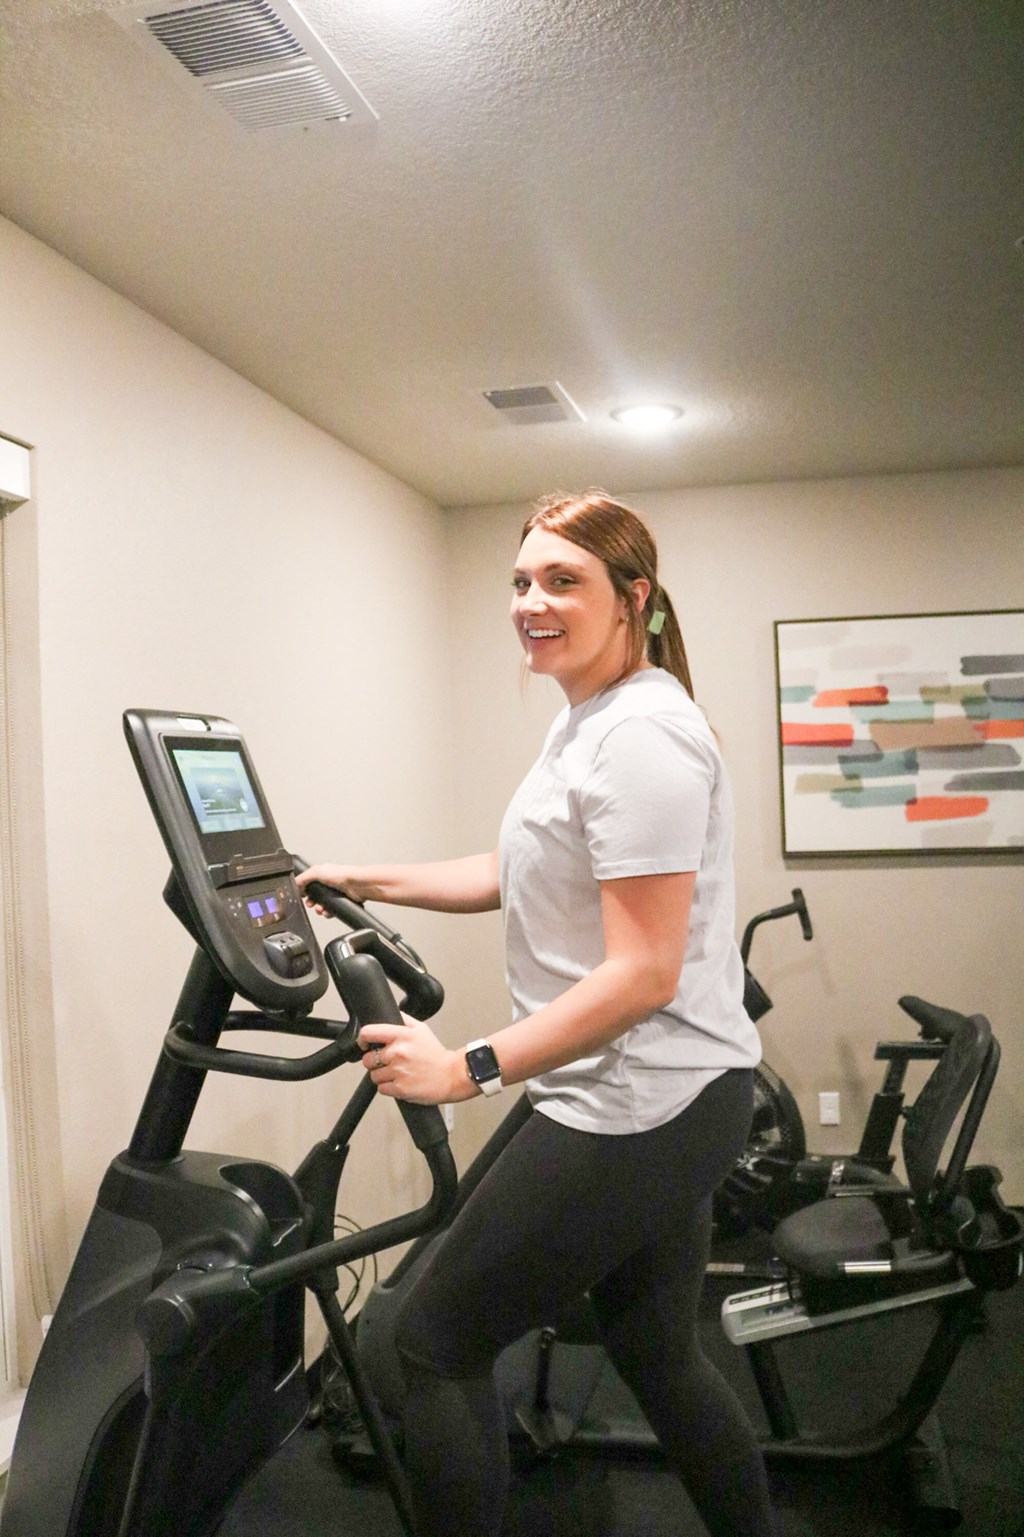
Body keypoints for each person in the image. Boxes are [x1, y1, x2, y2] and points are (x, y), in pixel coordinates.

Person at [297, 490, 777, 1537]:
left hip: (639, 1099)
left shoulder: (642, 737)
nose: (532, 601)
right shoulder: (590, 720)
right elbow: (515, 867)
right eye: (521, 580)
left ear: (632, 599)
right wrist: (357, 877)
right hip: (665, 1088)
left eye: (563, 580)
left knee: (426, 1342)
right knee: (654, 1347)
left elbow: (643, 972)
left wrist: (466, 1064)